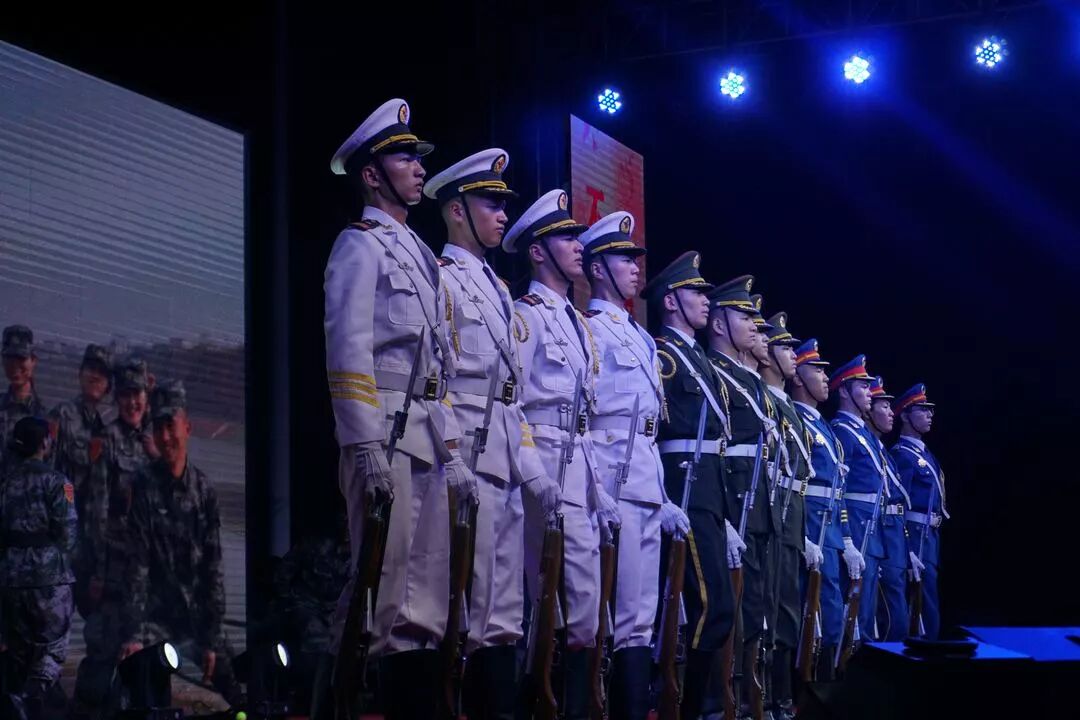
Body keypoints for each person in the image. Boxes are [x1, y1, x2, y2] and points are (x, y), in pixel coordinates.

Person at [324, 97, 476, 718]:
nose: (418, 168)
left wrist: (453, 449)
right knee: (380, 593)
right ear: (371, 174)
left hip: (425, 436)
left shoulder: (417, 251)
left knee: (426, 602)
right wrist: (362, 444)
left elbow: (437, 366)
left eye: (417, 158)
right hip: (384, 434)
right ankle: (336, 702)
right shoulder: (359, 246)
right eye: (404, 158)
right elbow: (348, 348)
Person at [424, 148, 558, 718]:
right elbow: (434, 377)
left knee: (503, 611)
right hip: (465, 458)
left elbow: (513, 395)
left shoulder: (500, 290)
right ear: (457, 211)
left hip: (503, 459)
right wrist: (450, 453)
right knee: (464, 605)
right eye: (490, 203)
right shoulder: (440, 278)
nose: (503, 214)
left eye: (504, 205)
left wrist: (532, 468)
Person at [504, 188, 617, 719]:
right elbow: (512, 404)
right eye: (565, 238)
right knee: (545, 602)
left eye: (576, 237)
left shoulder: (577, 321)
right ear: (537, 251)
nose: (577, 246)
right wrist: (532, 474)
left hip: (581, 470)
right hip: (545, 464)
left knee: (587, 607)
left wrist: (600, 489)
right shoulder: (524, 317)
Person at [579, 211, 689, 719]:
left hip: (645, 479)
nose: (634, 268)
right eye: (624, 258)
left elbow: (647, 425)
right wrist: (595, 488)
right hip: (612, 478)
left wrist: (663, 496)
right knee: (613, 611)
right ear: (597, 268)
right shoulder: (589, 330)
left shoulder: (640, 337)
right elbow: (585, 417)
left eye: (634, 259)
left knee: (641, 616)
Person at [643, 251, 741, 720]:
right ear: (670, 301)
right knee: (707, 605)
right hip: (683, 484)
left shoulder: (698, 358)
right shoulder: (663, 355)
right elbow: (653, 431)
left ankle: (698, 705)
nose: (705, 300)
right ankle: (687, 705)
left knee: (720, 606)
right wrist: (660, 495)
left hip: (709, 492)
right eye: (695, 292)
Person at [118, 381, 239, 703]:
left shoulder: (204, 491)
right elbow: (137, 567)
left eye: (170, 426)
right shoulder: (143, 485)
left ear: (187, 427)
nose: (165, 436)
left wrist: (211, 638)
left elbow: (213, 570)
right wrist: (134, 634)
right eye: (158, 428)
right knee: (138, 684)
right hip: (155, 619)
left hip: (196, 617)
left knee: (237, 688)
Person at [704, 277, 777, 717]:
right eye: (744, 316)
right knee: (728, 610)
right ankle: (721, 700)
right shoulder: (714, 373)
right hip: (734, 503)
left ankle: (750, 698)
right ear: (718, 324)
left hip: (759, 503)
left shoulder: (749, 382)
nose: (754, 324)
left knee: (756, 608)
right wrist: (727, 517)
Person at [74, 358, 158, 716]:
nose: (131, 402)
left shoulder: (157, 442)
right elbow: (95, 514)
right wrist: (96, 573)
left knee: (147, 664)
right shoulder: (106, 441)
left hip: (148, 578)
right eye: (124, 395)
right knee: (101, 660)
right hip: (112, 574)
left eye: (137, 394)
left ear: (146, 396)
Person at [790, 339, 861, 680]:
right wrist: (801, 534)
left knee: (832, 616)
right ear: (797, 377)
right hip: (811, 528)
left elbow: (838, 491)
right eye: (816, 370)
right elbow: (795, 484)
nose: (824, 377)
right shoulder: (797, 420)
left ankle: (827, 687)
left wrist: (846, 538)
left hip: (830, 531)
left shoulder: (825, 429)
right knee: (808, 618)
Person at [0, 416, 77, 720]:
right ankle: (32, 696)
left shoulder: (5, 483)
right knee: (53, 648)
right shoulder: (59, 482)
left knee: (20, 651)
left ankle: (19, 702)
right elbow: (68, 534)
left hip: (10, 579)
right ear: (44, 442)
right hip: (49, 579)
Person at [760, 312, 812, 720]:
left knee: (788, 609)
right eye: (785, 347)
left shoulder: (787, 405)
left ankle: (781, 698)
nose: (793, 355)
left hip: (792, 510)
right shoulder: (762, 398)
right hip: (771, 505)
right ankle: (761, 698)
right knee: (768, 607)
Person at [828, 356, 886, 642]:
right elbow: (839, 487)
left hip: (870, 523)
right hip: (855, 521)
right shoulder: (842, 430)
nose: (869, 392)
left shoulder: (864, 433)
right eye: (862, 386)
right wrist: (847, 536)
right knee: (851, 607)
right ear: (844, 391)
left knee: (866, 610)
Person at [866, 377, 922, 642]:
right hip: (880, 535)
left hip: (895, 538)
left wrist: (908, 548)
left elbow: (899, 505)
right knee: (885, 612)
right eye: (884, 406)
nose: (892, 413)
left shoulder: (883, 452)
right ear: (868, 411)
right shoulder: (874, 447)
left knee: (898, 609)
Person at [891, 383, 948, 639]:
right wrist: (907, 547)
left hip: (929, 534)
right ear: (905, 415)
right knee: (919, 600)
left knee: (929, 597)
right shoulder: (902, 455)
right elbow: (899, 503)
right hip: (914, 533)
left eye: (930, 409)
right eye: (922, 409)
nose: (929, 414)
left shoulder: (925, 454)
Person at [48, 344, 114, 530]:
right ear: (80, 373)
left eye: (102, 373)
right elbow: (47, 473)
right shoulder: (61, 415)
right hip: (63, 523)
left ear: (109, 385)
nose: (95, 376)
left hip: (95, 530)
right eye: (91, 369)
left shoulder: (108, 426)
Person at [0, 326, 46, 470]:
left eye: (21, 358)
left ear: (33, 360)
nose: (15, 365)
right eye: (10, 359)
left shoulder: (44, 416)